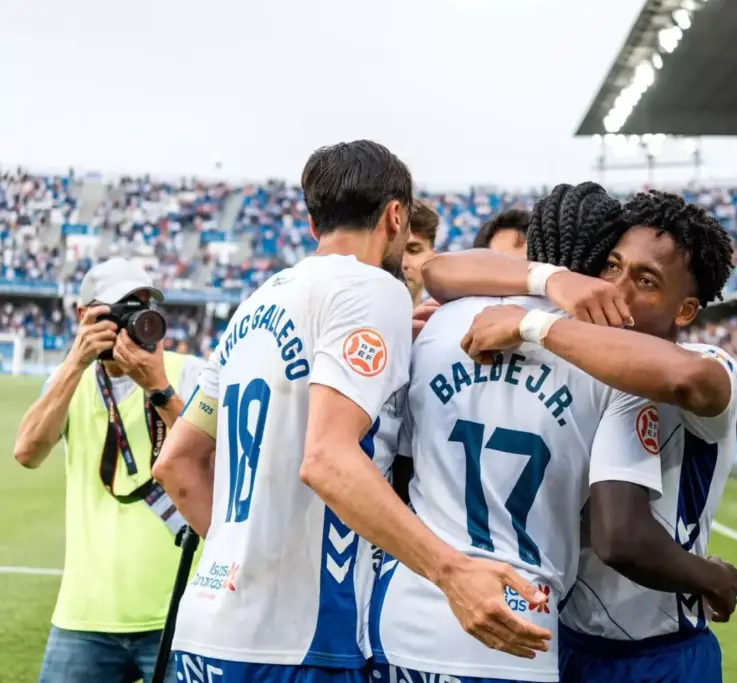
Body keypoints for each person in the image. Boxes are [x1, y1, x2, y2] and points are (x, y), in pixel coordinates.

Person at [151, 140, 550, 683]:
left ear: (314, 224)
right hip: (304, 643)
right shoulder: (372, 288)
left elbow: (176, 463)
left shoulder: (256, 303)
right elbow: (327, 459)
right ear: (395, 216)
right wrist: (451, 571)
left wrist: (247, 565)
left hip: (207, 632)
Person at [369, 183, 737, 683]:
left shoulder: (698, 364)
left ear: (686, 310)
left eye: (645, 280)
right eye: (611, 267)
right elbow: (439, 269)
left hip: (657, 649)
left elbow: (685, 379)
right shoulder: (586, 362)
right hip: (556, 636)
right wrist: (545, 295)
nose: (618, 290)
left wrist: (532, 324)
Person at [13, 257, 204, 683]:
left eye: (142, 308)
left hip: (178, 610)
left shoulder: (188, 372)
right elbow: (27, 452)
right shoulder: (68, 380)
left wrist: (158, 388)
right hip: (85, 614)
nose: (131, 322)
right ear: (84, 315)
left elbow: (211, 460)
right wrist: (76, 362)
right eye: (119, 310)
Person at [402, 199, 439, 303]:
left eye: (413, 250)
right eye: (390, 253)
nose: (403, 263)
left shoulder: (449, 312)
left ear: (432, 258)